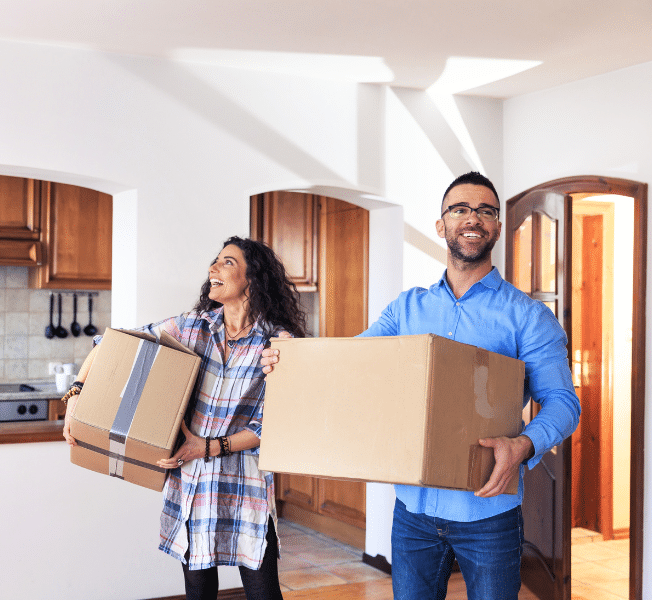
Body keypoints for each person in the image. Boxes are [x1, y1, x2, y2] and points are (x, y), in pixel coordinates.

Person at [261, 172, 580, 600]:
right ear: (441, 224)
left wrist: (523, 446)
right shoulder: (408, 307)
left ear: (498, 228)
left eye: (487, 211)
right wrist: (295, 354)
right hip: (413, 511)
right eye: (461, 209)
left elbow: (563, 403)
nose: (475, 218)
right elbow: (354, 362)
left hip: (488, 512)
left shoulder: (528, 316)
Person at [64, 236, 307, 600]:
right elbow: (113, 344)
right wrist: (76, 395)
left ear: (252, 278)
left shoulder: (277, 343)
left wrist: (205, 446)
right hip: (192, 481)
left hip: (247, 484)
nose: (213, 268)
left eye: (226, 262)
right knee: (198, 592)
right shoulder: (192, 327)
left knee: (263, 592)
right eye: (215, 261)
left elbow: (271, 426)